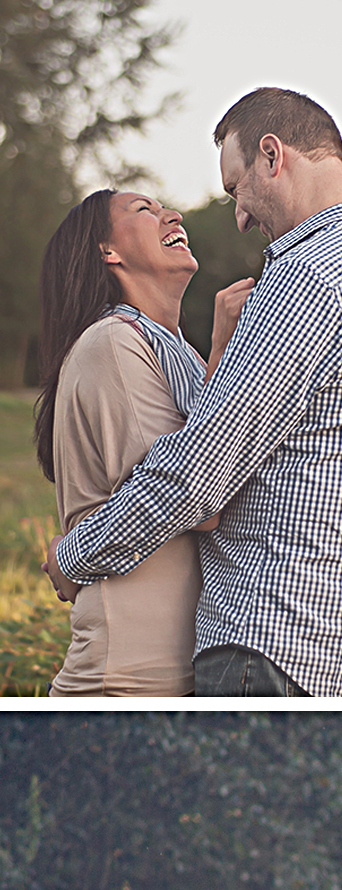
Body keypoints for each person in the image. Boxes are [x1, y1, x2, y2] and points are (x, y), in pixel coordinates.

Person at [43, 87, 342, 698]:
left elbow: (193, 479)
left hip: (274, 639)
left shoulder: (309, 275)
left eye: (236, 189)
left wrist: (72, 558)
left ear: (271, 156)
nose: (239, 217)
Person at [34, 188, 251, 695]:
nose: (171, 215)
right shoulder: (113, 342)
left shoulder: (176, 352)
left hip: (168, 664)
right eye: (143, 210)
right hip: (127, 672)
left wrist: (218, 353)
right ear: (107, 252)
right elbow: (197, 500)